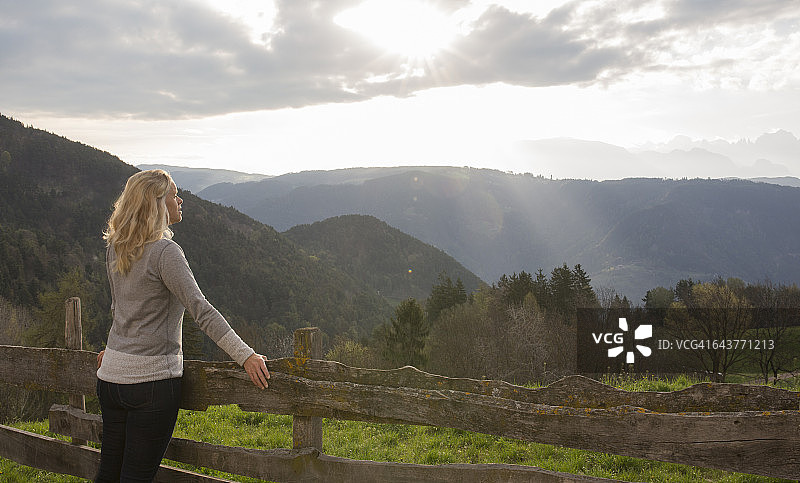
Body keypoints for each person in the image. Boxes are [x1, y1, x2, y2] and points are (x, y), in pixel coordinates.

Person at [95, 169, 270, 482]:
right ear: (157, 204)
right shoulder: (165, 252)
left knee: (108, 474)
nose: (180, 200)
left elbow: (119, 310)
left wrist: (114, 351)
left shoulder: (117, 248)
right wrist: (245, 354)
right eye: (174, 195)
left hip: (110, 380)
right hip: (151, 382)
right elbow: (201, 310)